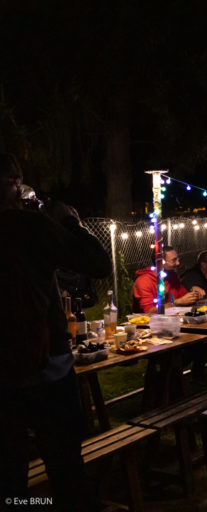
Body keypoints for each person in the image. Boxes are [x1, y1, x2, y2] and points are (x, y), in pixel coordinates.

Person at [0, 153, 111, 511]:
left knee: (9, 475)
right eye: (17, 180)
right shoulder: (29, 226)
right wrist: (69, 222)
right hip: (47, 367)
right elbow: (97, 262)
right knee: (65, 468)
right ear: (12, 184)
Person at [133, 246, 200, 313]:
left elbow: (184, 296)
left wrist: (195, 294)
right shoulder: (144, 281)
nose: (178, 263)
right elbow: (149, 311)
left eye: (177, 259)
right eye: (174, 260)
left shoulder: (171, 275)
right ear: (161, 262)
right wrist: (177, 302)